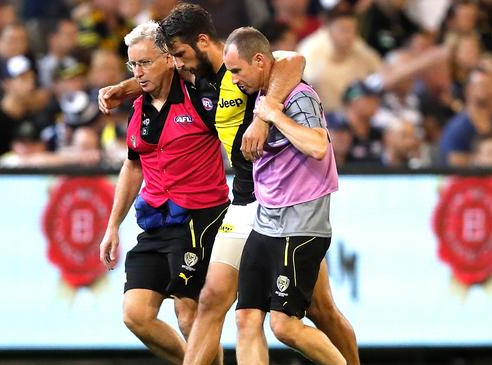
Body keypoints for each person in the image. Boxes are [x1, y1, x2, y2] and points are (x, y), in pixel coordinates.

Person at [98, 4, 359, 365]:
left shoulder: (242, 69)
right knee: (217, 305)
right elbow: (159, 76)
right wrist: (128, 87)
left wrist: (264, 116)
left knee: (318, 311)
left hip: (282, 203)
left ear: (203, 42)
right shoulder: (197, 80)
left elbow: (292, 59)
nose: (177, 63)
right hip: (245, 202)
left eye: (180, 54)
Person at [98, 21, 230, 365]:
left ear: (170, 59)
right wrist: (113, 226)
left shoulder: (200, 97)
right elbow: (133, 165)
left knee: (189, 314)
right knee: (135, 314)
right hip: (156, 221)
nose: (138, 72)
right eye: (133, 64)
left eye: (145, 62)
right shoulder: (139, 107)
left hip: (199, 218)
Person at [223, 26, 344, 365]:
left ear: (260, 61)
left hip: (301, 223)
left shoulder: (298, 96)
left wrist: (272, 115)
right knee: (246, 317)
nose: (233, 80)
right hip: (267, 221)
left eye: (237, 70)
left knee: (285, 325)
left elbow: (319, 146)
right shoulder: (264, 92)